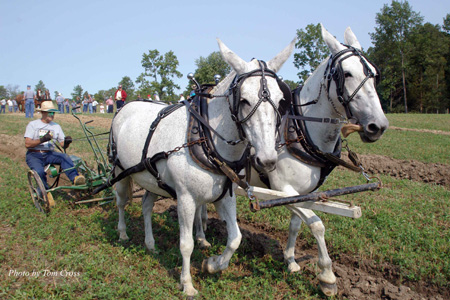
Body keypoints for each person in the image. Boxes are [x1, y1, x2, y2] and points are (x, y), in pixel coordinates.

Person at [24, 101, 85, 194]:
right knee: (39, 172)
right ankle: (45, 191)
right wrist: (42, 140)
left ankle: (75, 179)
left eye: (53, 112)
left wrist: (67, 142)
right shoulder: (33, 125)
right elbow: (27, 144)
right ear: (43, 112)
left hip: (49, 154)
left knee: (64, 157)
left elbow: (62, 144)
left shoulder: (56, 126)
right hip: (34, 155)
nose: (52, 115)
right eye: (50, 112)